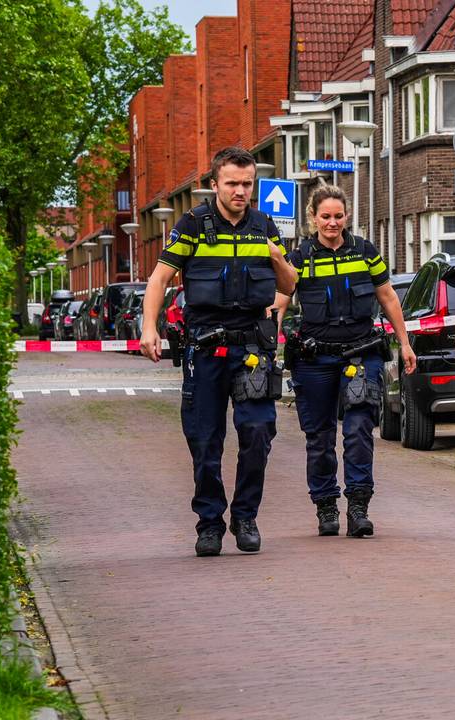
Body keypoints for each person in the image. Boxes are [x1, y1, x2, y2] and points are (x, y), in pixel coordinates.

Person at [140, 146, 298, 557]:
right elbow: (159, 279)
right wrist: (149, 327)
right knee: (205, 440)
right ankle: (209, 523)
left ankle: (245, 517)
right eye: (232, 184)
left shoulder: (264, 226)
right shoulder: (193, 224)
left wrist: (277, 257)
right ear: (215, 185)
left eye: (247, 184)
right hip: (206, 348)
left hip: (252, 347)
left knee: (258, 433)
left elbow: (289, 285)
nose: (240, 191)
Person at [274, 186, 417, 538]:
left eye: (338, 216)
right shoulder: (300, 256)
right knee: (319, 437)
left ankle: (358, 506)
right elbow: (280, 301)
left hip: (361, 353)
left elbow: (388, 297)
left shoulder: (365, 252)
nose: (332, 223)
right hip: (314, 359)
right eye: (325, 216)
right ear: (313, 218)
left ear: (347, 216)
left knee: (358, 430)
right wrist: (267, 346)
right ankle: (326, 505)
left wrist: (404, 343)